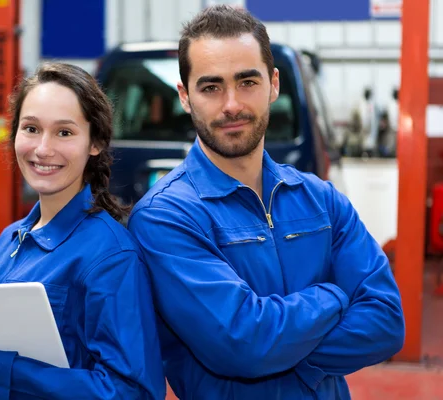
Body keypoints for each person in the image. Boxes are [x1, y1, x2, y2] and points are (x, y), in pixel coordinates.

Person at [127, 6, 405, 399]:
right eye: (211, 87)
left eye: (247, 82)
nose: (231, 105)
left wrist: (284, 353)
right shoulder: (166, 217)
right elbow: (242, 344)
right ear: (185, 96)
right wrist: (334, 296)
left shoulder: (321, 200)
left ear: (273, 85)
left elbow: (387, 321)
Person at [0, 62, 166, 400]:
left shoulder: (111, 256)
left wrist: (4, 374)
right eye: (31, 129)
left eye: (64, 132)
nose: (43, 149)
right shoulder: (10, 239)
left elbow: (134, 392)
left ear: (96, 143)